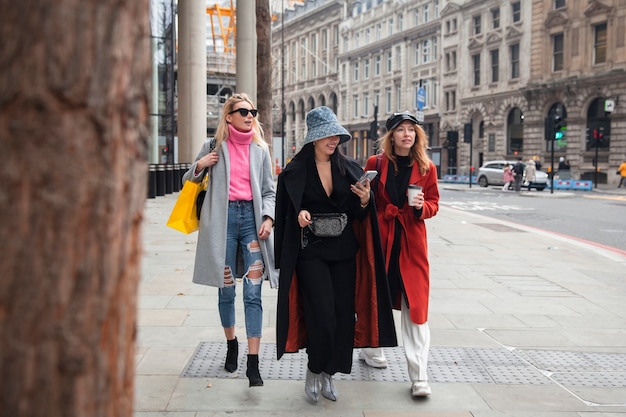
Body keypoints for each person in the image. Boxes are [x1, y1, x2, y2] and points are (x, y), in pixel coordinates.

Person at [274, 106, 397, 403]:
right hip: (311, 253)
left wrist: (366, 200)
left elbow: (358, 213)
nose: (334, 140)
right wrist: (301, 213)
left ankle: (328, 372)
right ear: (314, 139)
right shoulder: (294, 171)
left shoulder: (350, 168)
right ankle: (314, 368)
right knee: (322, 316)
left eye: (336, 135)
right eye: (328, 135)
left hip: (344, 252)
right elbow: (287, 211)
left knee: (343, 317)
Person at [182, 93, 277, 387]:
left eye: (253, 111)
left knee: (253, 292)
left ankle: (253, 362)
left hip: (251, 221)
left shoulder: (260, 150)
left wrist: (268, 218)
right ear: (229, 116)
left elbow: (270, 191)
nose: (250, 116)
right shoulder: (214, 147)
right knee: (225, 291)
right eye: (243, 111)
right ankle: (231, 343)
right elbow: (188, 180)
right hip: (222, 223)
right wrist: (201, 165)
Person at [360, 112, 440, 397]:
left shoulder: (426, 167)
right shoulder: (375, 163)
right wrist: (364, 197)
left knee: (415, 307)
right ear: (391, 135)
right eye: (401, 130)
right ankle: (372, 348)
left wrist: (421, 207)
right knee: (374, 295)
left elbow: (434, 203)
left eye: (411, 130)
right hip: (381, 238)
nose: (407, 134)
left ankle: (419, 377)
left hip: (411, 242)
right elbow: (365, 202)